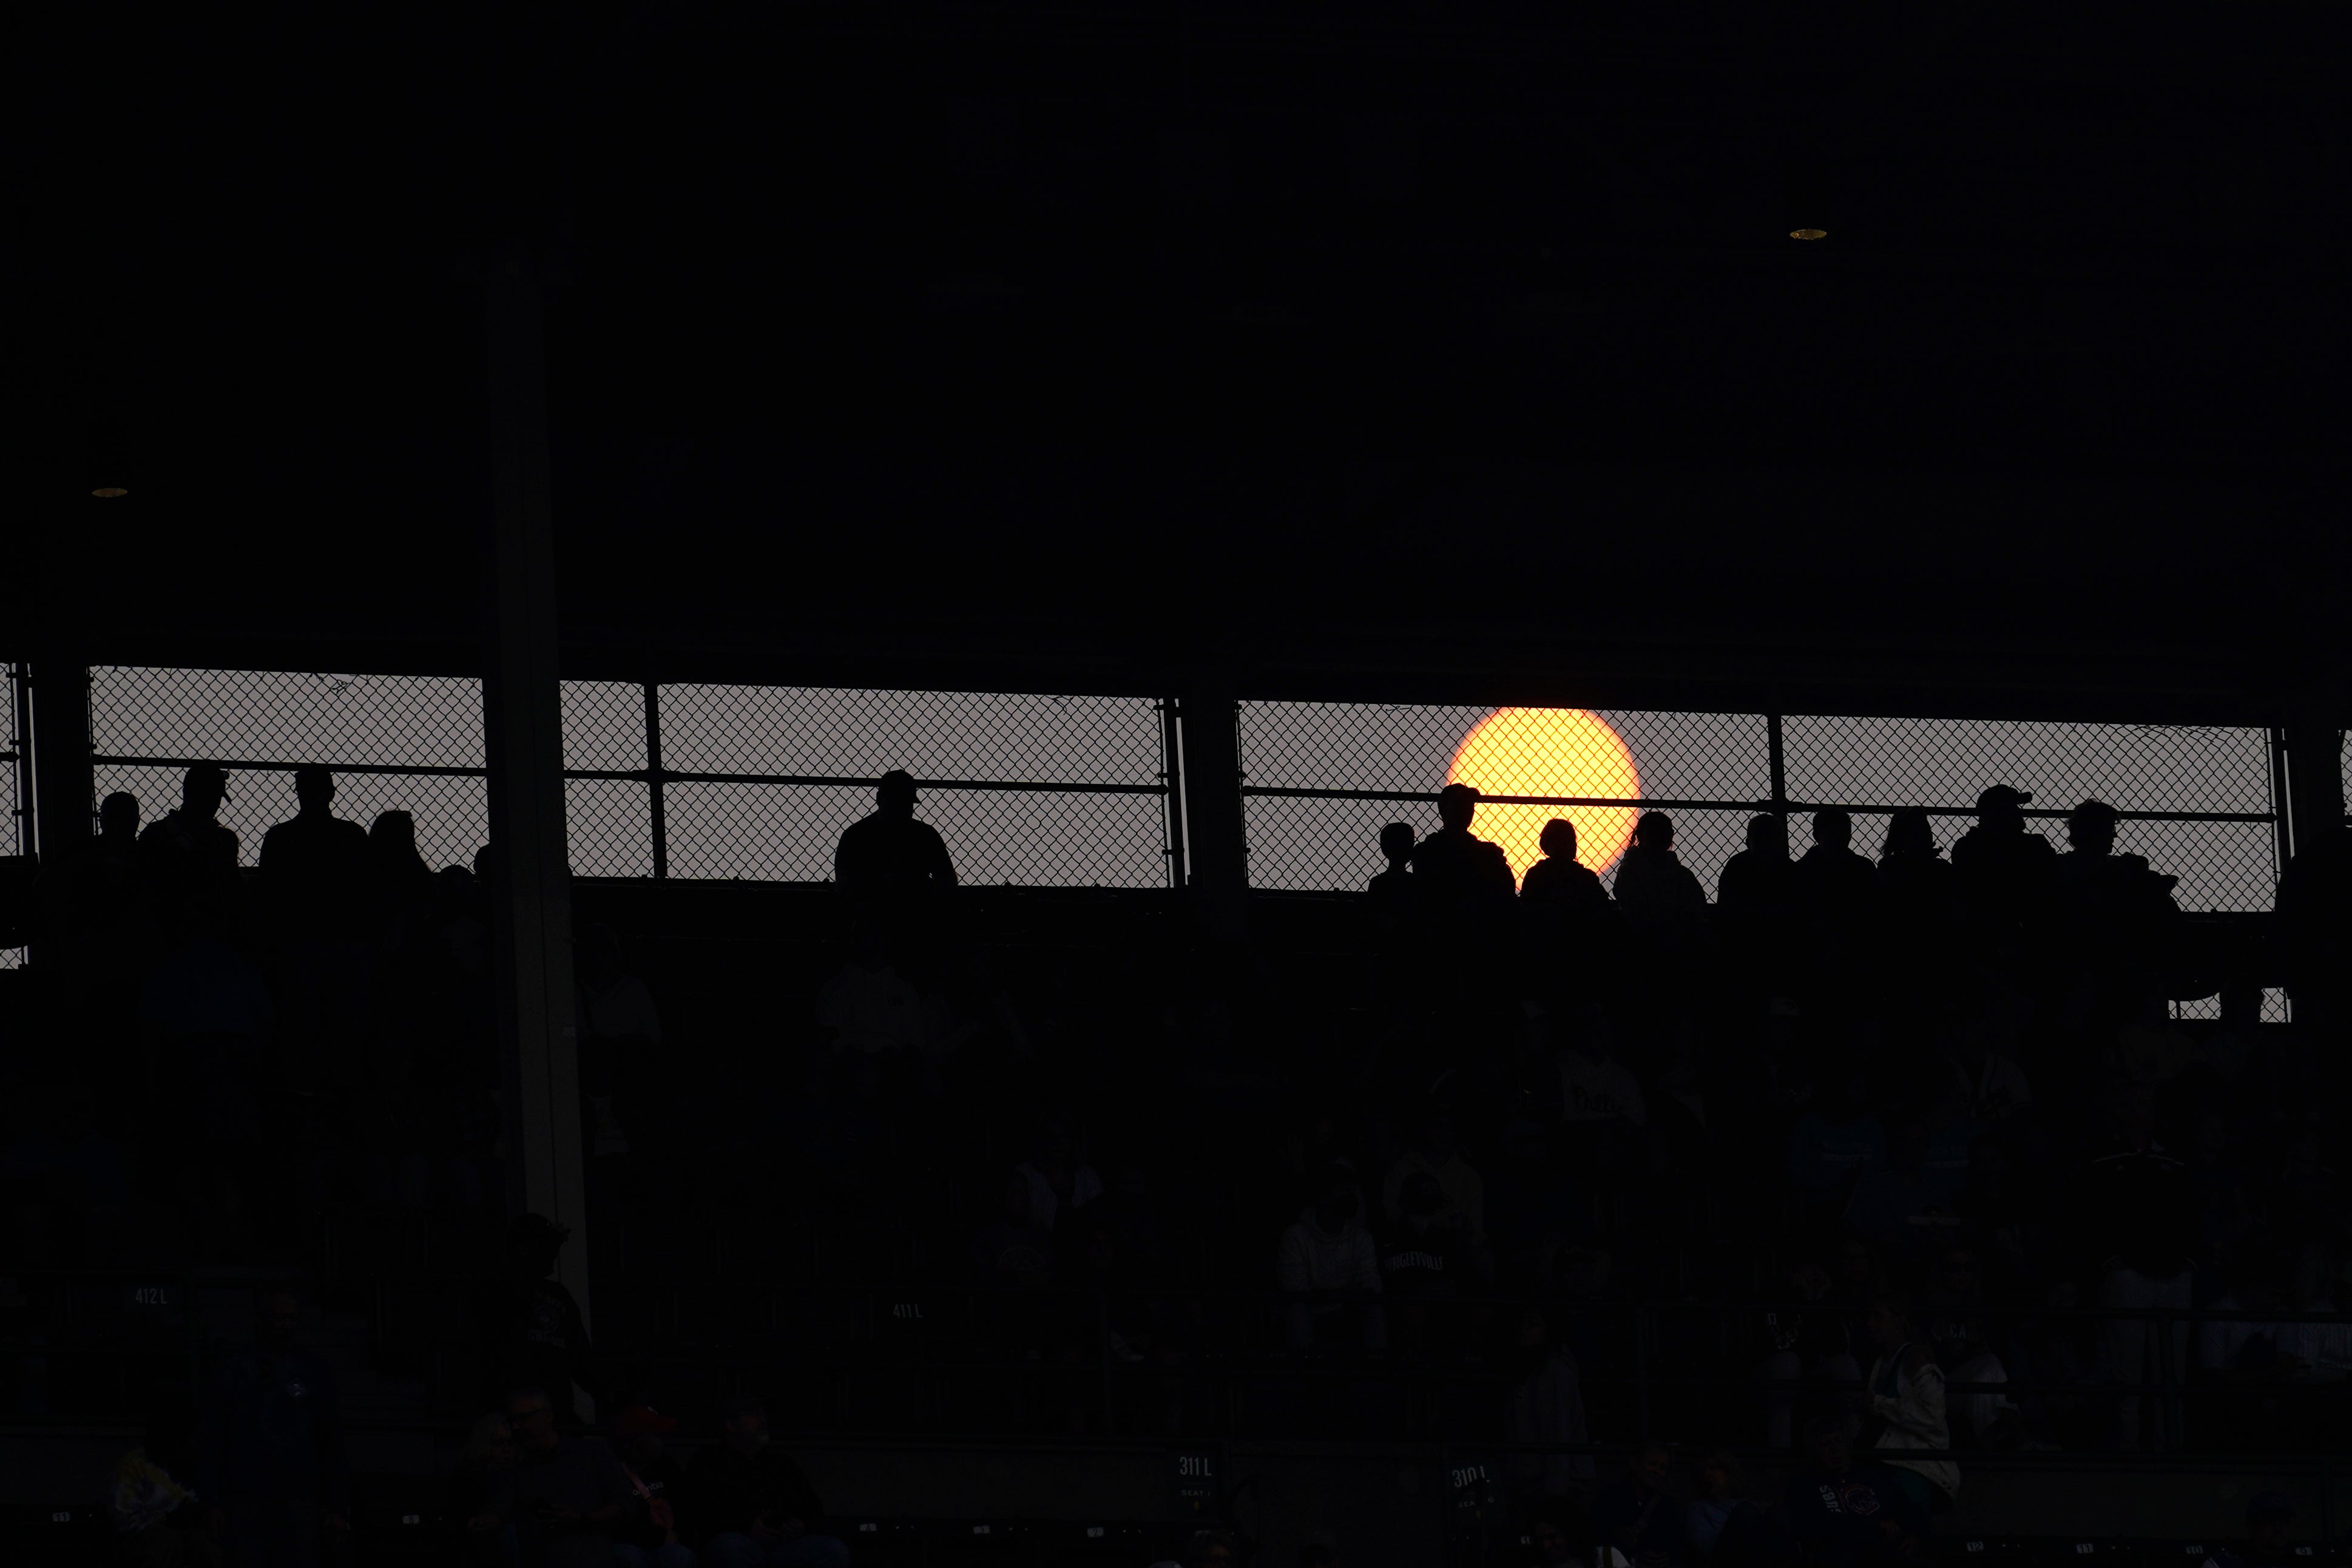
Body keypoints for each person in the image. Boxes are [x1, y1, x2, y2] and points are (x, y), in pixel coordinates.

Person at [2080, 1080, 2194, 1451]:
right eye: (2135, 1103)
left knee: (2171, 1375)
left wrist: (2189, 1262)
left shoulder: (2175, 1159)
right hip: (2126, 1275)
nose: (2143, 1111)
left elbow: (2193, 1210)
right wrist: (2109, 1260)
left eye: (2148, 1104)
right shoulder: (2102, 1158)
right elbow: (2088, 1213)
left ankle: (2170, 1452)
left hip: (2174, 1274)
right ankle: (2128, 1455)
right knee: (2127, 1375)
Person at [197, 1287, 350, 1565]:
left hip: (297, 1495)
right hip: (245, 1495)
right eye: (279, 1318)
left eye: (291, 1318)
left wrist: (337, 1505)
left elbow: (330, 1439)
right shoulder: (233, 1369)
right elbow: (214, 1438)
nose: (285, 1326)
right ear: (260, 1319)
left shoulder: (312, 1370)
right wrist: (212, 1501)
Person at [686, 1394, 847, 1568]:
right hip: (740, 1544)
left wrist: (800, 1525)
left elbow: (812, 1507)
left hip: (783, 1546)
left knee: (833, 1550)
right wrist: (746, 1527)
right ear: (731, 1425)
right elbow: (702, 1511)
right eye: (754, 1415)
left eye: (763, 1415)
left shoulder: (781, 1464)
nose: (763, 1420)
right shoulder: (708, 1463)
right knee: (730, 1547)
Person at [485, 1385, 634, 1568]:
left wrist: (582, 1519)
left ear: (547, 1416)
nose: (516, 1427)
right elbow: (501, 1509)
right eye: (512, 1421)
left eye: (522, 1419)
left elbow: (625, 1504)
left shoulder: (591, 1454)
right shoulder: (518, 1472)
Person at [475, 1214, 598, 1422]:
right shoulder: (495, 1290)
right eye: (543, 1246)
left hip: (557, 1415)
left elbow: (581, 1358)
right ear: (523, 1248)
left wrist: (614, 1398)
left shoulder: (559, 1296)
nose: (553, 1254)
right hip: (513, 1416)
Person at [1777, 1419, 1927, 1568]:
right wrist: (1873, 1526)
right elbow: (1817, 1526)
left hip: (1886, 1552)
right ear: (1815, 1451)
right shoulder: (1805, 1485)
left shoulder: (1873, 1477)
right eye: (1826, 1444)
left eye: (1839, 1441)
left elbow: (1907, 1509)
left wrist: (1915, 1534)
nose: (1834, 1449)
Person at [1861, 1296, 1956, 1515]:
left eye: (1878, 1317)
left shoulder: (1916, 1359)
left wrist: (1876, 1404)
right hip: (1890, 1462)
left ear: (1899, 1320)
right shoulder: (1882, 1363)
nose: (1870, 1324)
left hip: (1916, 1466)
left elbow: (1932, 1415)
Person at [256, 766, 374, 942]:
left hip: (292, 931)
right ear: (332, 794)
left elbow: (266, 889)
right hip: (343, 930)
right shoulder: (352, 834)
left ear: (299, 793)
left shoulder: (279, 836)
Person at [1276, 1166, 1385, 1351]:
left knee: (1376, 1310)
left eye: (1352, 1193)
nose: (1351, 1199)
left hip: (1350, 1309)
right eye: (1343, 1193)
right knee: (1297, 1311)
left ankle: (1376, 1369)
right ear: (1324, 1197)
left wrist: (1348, 1300)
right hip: (1309, 1311)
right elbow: (1294, 1289)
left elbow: (1372, 1284)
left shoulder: (1361, 1238)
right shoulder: (1296, 1237)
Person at [832, 769, 955, 909]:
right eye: (896, 802)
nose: (901, 809)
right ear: (879, 799)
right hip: (872, 911)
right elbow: (844, 885)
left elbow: (947, 881)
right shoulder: (855, 836)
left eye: (906, 803)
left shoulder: (856, 834)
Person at [1507, 1305, 1595, 1499]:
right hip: (1540, 1484)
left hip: (1554, 1487)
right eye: (1522, 1321)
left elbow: (1558, 1436)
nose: (1524, 1327)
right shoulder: (1531, 1370)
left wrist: (1554, 1497)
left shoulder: (1554, 1373)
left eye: (1533, 1323)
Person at [138, 765, 242, 925]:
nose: (213, 804)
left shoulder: (156, 833)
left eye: (215, 797)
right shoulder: (223, 840)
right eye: (208, 796)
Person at [1948, 786, 2057, 926]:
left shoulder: (1967, 847)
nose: (2018, 811)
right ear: (1996, 813)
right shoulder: (2034, 845)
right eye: (2012, 807)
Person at [1410, 783, 1516, 922]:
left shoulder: (1488, 852)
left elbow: (1506, 891)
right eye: (1459, 804)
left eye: (1469, 805)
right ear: (1444, 809)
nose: (1466, 810)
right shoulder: (1428, 851)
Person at [612, 1405, 695, 1568]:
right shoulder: (611, 1472)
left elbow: (685, 1506)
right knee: (629, 1557)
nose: (661, 1440)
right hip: (632, 1545)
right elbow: (617, 1525)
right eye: (654, 1435)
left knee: (682, 1557)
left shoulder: (666, 1466)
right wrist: (659, 1537)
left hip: (665, 1544)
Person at [1590, 1442, 1682, 1568]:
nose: (1657, 1471)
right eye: (1653, 1464)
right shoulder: (1609, 1499)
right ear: (1635, 1463)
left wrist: (1667, 1558)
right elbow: (1599, 1542)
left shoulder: (1668, 1506)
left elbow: (1677, 1544)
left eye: (1663, 1468)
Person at [1611, 813, 1705, 922]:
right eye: (1654, 832)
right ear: (1640, 835)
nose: (1659, 837)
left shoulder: (1682, 874)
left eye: (1664, 832)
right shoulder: (1630, 871)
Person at [1874, 809, 1954, 935]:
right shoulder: (1890, 868)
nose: (1926, 835)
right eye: (1919, 832)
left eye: (1926, 830)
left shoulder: (1889, 867)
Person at [1796, 808, 1878, 927]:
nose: (1837, 839)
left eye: (1841, 834)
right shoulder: (1864, 868)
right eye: (1832, 834)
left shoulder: (1802, 870)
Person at [1683, 1451, 1764, 1568]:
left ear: (1728, 1472)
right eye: (1704, 1470)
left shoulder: (1743, 1504)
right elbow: (1708, 1547)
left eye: (1714, 1468)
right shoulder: (1697, 1508)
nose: (1707, 1474)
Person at [1521, 820, 1609, 916]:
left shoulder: (1536, 875)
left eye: (1568, 842)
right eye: (1560, 842)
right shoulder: (1586, 878)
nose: (1565, 847)